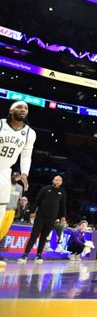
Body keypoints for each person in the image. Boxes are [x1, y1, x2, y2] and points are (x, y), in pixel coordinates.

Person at [0, 101, 36, 269]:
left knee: (1, 212)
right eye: (20, 107)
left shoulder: (29, 133)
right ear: (11, 110)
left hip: (5, 171)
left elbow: (26, 156)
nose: (23, 110)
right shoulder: (0, 124)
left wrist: (24, 173)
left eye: (26, 108)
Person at [19, 175, 67, 264]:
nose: (57, 181)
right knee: (34, 235)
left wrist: (63, 216)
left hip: (52, 218)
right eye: (56, 179)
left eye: (60, 180)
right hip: (40, 216)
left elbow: (63, 206)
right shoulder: (45, 189)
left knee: (44, 237)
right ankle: (25, 254)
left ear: (61, 182)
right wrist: (32, 212)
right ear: (53, 180)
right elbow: (37, 200)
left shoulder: (62, 192)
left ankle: (39, 255)